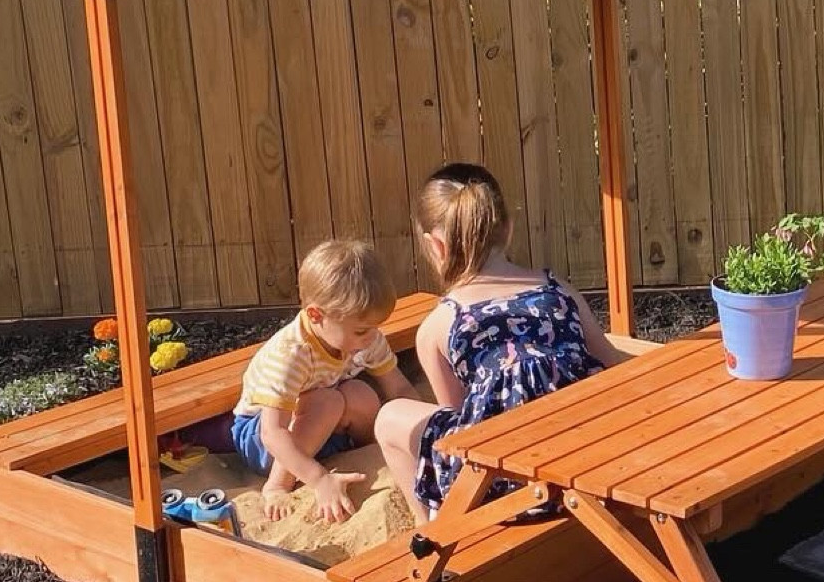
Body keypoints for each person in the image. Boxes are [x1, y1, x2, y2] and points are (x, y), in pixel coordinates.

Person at [376, 163, 626, 526]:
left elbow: (461, 426)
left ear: (436, 246)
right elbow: (614, 368)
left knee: (388, 418)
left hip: (505, 490)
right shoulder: (557, 291)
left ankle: (428, 528)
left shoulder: (439, 326)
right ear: (507, 230)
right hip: (590, 466)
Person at [233, 238, 415, 523]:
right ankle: (278, 484)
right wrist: (319, 480)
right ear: (317, 316)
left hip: (319, 427)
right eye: (361, 330)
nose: (371, 337)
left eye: (375, 328)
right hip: (263, 442)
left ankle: (368, 453)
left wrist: (427, 427)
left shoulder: (366, 338)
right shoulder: (293, 354)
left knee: (360, 394)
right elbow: (273, 432)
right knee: (329, 400)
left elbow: (399, 387)